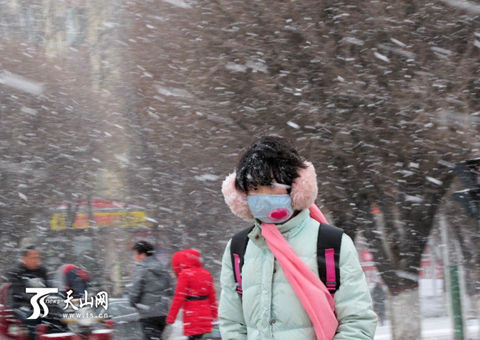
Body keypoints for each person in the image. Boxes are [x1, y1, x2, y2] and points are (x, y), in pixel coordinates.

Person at [219, 135, 377, 339]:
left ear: (296, 187)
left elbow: (358, 321)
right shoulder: (239, 248)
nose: (263, 195)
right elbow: (232, 323)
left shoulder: (331, 245)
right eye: (254, 188)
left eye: (272, 185)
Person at [166, 249, 218, 340]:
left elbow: (179, 297)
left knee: (193, 337)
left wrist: (171, 317)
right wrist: (214, 314)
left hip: (192, 315)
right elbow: (212, 296)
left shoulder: (185, 275)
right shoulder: (206, 273)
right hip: (206, 314)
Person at [129, 240, 173, 340]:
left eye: (135, 254)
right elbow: (171, 289)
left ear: (142, 255)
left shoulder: (141, 269)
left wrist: (133, 303)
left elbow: (135, 291)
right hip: (163, 313)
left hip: (148, 313)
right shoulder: (163, 268)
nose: (134, 257)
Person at [6, 246, 49, 340]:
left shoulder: (43, 271)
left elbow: (50, 287)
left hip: (43, 305)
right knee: (32, 318)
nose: (36, 260)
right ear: (24, 259)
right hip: (22, 306)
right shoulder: (17, 273)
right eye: (33, 257)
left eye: (38, 257)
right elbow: (20, 292)